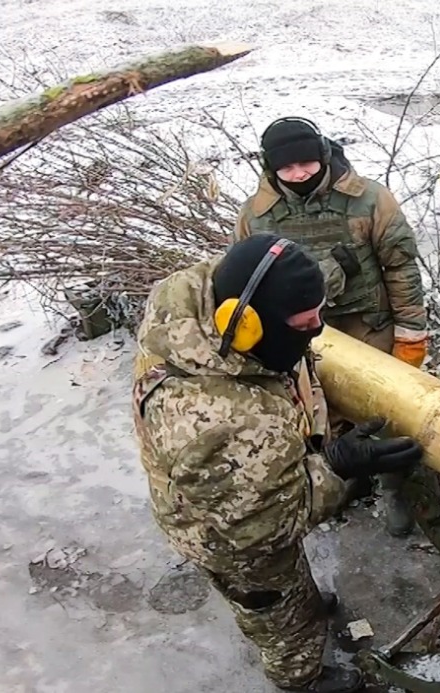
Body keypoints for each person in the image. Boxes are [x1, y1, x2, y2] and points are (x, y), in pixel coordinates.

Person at [131, 234, 424, 693]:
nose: (317, 331)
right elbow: (267, 525)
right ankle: (299, 677)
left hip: (250, 483)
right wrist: (337, 467)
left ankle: (300, 602)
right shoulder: (218, 420)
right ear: (248, 326)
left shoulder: (207, 302)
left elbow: (280, 284)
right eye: (304, 324)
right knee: (273, 606)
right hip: (230, 533)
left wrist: (334, 270)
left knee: (290, 581)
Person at [232, 116, 428, 538]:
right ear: (270, 168)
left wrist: (411, 334)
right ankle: (343, 478)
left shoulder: (370, 199)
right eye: (287, 167)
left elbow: (401, 268)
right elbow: (246, 281)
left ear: (322, 155)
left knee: (386, 411)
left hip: (367, 324)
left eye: (306, 163)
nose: (299, 174)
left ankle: (393, 486)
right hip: (302, 335)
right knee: (322, 412)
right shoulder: (256, 215)